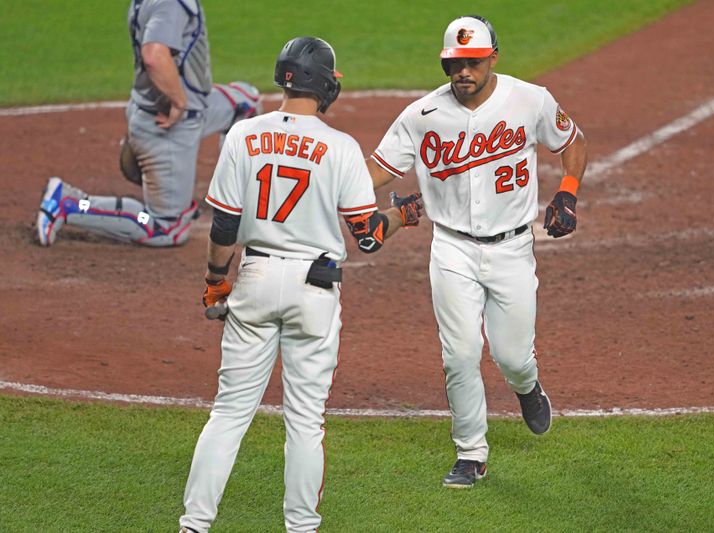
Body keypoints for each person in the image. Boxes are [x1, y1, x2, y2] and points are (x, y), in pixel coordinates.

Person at [178, 37, 424, 533]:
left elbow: (224, 228)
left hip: (255, 278)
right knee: (305, 422)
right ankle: (301, 528)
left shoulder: (243, 136)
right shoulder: (340, 147)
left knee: (227, 414)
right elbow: (369, 239)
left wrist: (213, 281)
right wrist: (401, 214)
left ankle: (194, 525)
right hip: (315, 289)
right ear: (327, 84)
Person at [367, 15, 588, 488]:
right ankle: (471, 452)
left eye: (472, 62)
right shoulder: (422, 115)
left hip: (512, 249)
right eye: (454, 63)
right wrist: (335, 188)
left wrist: (567, 191)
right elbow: (376, 171)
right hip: (451, 249)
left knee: (511, 356)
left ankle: (527, 386)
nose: (462, 71)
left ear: (492, 58)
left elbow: (573, 142)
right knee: (460, 353)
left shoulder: (529, 100)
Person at [35, 0, 262, 247]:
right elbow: (154, 56)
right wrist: (179, 101)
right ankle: (67, 203)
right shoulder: (171, 4)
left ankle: (236, 196)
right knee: (167, 228)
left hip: (194, 109)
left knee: (245, 104)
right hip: (167, 125)